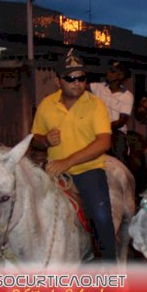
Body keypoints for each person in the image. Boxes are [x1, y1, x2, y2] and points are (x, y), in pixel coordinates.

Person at [31, 51, 116, 262]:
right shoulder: (46, 104)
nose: (77, 83)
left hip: (88, 170)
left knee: (102, 217)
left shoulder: (95, 104)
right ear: (58, 80)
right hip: (52, 171)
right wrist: (45, 141)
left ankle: (109, 269)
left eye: (81, 78)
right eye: (70, 78)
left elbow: (104, 142)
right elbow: (34, 139)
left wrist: (66, 162)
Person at [89, 60, 134, 165]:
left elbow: (121, 121)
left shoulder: (127, 96)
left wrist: (104, 128)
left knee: (118, 152)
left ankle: (123, 172)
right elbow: (81, 87)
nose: (108, 73)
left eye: (112, 71)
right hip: (97, 129)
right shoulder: (98, 87)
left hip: (115, 131)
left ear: (120, 76)